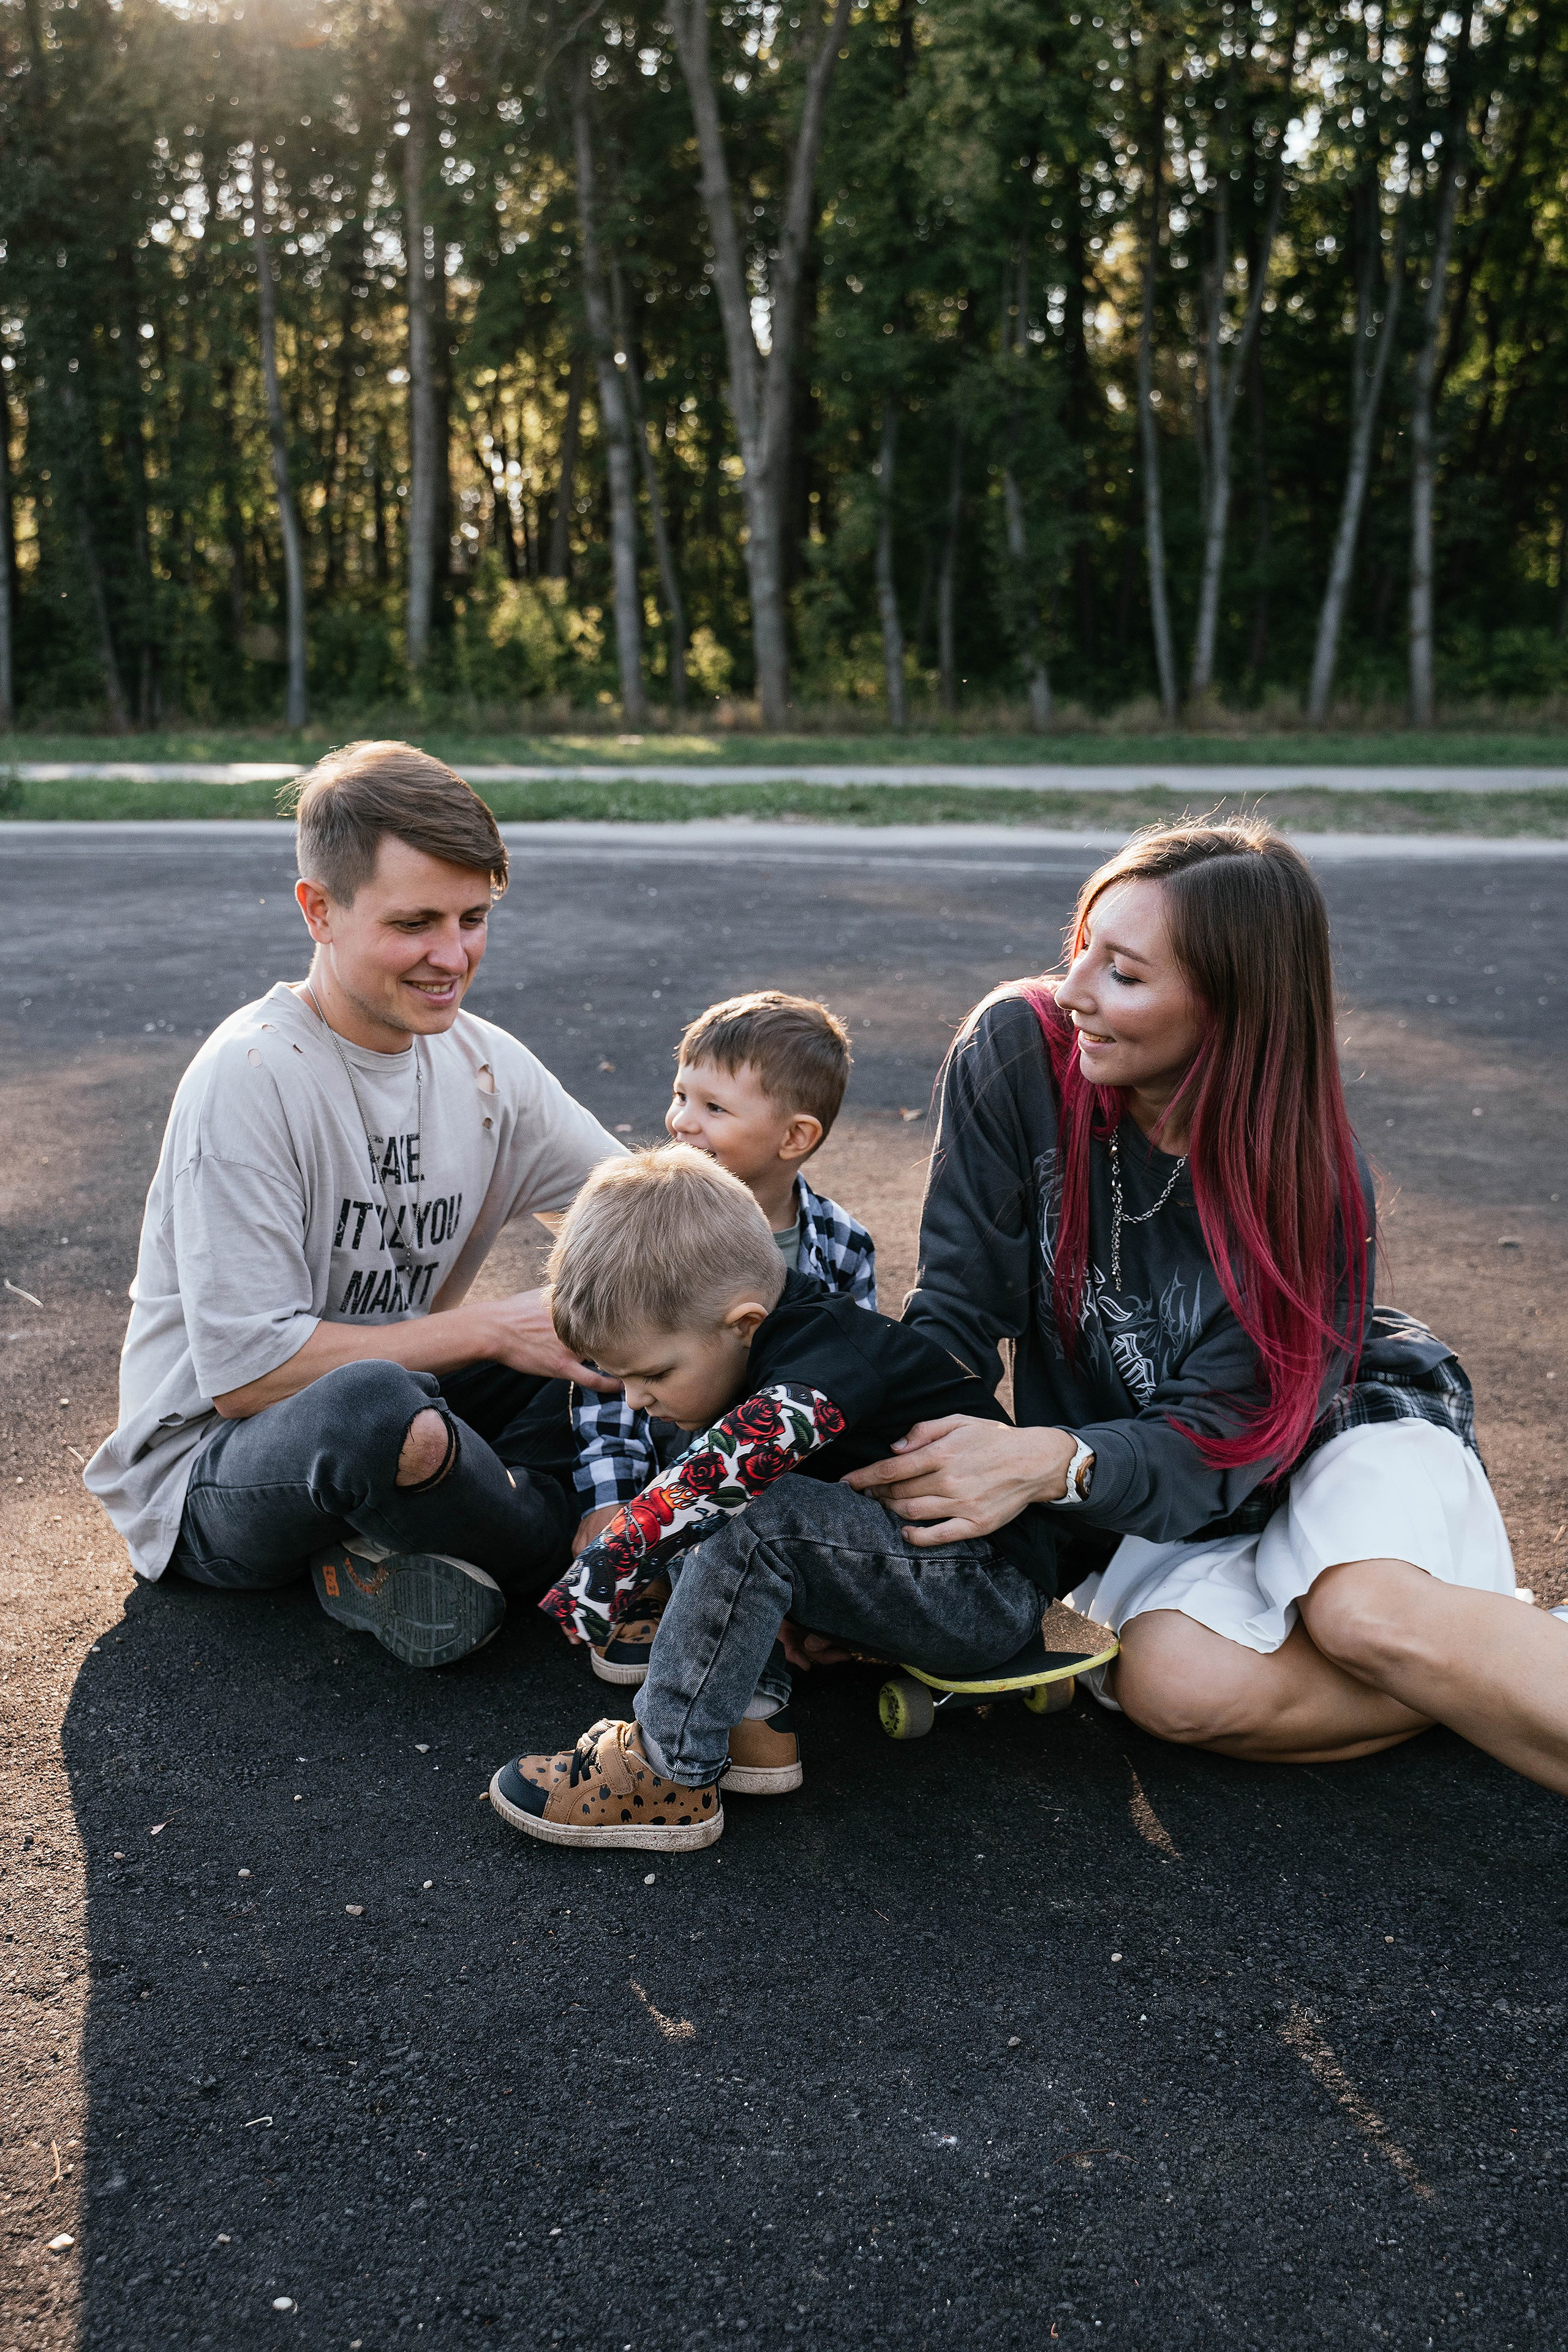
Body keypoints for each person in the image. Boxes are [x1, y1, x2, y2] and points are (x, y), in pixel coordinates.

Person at [843, 816, 1568, 1793]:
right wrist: (892, 1540)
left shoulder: (1310, 1178)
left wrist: (1056, 1460)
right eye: (1083, 948)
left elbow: (1233, 1433)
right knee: (1173, 1690)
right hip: (1147, 1473)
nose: (1074, 992)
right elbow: (954, 1318)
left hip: (1329, 1418)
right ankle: (1496, 1665)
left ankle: (1456, 1650)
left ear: (1232, 1009)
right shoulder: (1020, 1048)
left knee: (1363, 1615)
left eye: (1126, 976)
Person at [85, 741, 626, 1668]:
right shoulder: (251, 1075)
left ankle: (434, 1544)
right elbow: (249, 1376)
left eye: (473, 918)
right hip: (217, 1475)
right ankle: (590, 1562)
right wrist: (496, 1329)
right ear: (319, 909)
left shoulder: (487, 1064)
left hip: (408, 1408)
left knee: (603, 1327)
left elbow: (641, 1224)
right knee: (379, 1411)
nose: (451, 956)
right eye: (415, 923)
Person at [487, 1147, 1081, 1853]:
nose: (636, 1400)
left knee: (741, 1505)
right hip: (905, 1568)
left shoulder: (824, 1349)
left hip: (983, 1592)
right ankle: (752, 1722)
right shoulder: (733, 1352)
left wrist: (609, 1569)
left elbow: (739, 1464)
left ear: (742, 1322)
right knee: (699, 1464)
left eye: (650, 1374)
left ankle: (670, 1768)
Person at [571, 989, 875, 1688]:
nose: (681, 1122)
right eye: (681, 1095)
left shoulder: (840, 1244)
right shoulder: (650, 1225)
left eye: (713, 1108)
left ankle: (771, 1614)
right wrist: (609, 1502)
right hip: (663, 1464)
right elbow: (606, 1383)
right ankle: (647, 1581)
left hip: (768, 1484)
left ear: (794, 1138)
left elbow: (851, 1383)